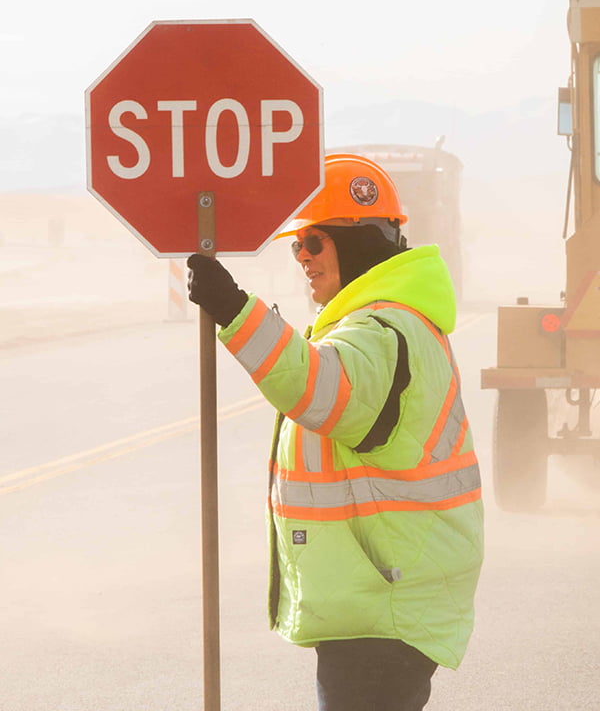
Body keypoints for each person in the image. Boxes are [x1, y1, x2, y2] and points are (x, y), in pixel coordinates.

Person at [187, 153, 484, 711]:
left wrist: (235, 310)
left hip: (383, 602)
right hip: (381, 595)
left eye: (314, 241)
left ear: (359, 241)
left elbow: (326, 390)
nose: (302, 256)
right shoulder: (381, 321)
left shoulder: (383, 327)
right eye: (297, 245)